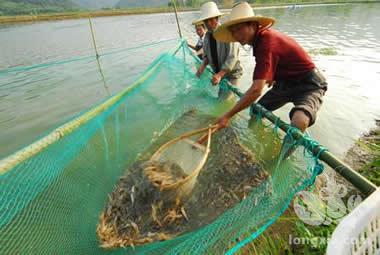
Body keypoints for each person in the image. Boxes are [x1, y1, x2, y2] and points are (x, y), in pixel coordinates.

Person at [212, 2, 328, 157]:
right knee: (256, 110)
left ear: (253, 25)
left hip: (309, 84)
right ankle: (253, 138)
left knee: (299, 121)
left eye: (239, 29)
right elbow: (276, 63)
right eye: (233, 32)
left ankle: (281, 159)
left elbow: (255, 90)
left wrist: (227, 115)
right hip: (285, 83)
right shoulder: (259, 42)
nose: (236, 36)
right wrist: (273, 76)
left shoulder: (266, 41)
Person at [194, 1, 243, 99]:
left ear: (217, 19)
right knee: (223, 98)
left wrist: (220, 74)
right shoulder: (207, 36)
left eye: (211, 20)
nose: (208, 23)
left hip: (231, 74)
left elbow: (232, 58)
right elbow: (207, 55)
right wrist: (202, 66)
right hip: (219, 74)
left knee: (221, 102)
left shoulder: (228, 33)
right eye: (206, 21)